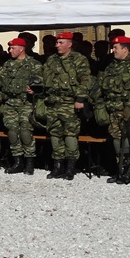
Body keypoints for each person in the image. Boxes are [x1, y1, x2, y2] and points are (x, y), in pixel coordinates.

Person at [97, 36, 130, 184]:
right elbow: (102, 85)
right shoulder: (112, 65)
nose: (113, 50)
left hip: (128, 110)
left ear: (125, 49)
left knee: (128, 141)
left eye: (116, 48)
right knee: (116, 140)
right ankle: (120, 169)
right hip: (113, 110)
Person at [42, 32, 92, 180]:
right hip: (53, 102)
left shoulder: (79, 59)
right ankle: (58, 166)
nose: (57, 45)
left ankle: (70, 167)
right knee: (55, 134)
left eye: (61, 42)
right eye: (57, 43)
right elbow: (44, 77)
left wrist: (80, 98)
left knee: (70, 134)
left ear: (69, 44)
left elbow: (86, 80)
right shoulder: (51, 60)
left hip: (70, 103)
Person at [0, 37, 42, 175]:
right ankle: (18, 162)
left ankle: (29, 162)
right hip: (10, 104)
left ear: (21, 49)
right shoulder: (7, 65)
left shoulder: (34, 64)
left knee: (26, 132)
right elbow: (1, 85)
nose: (10, 51)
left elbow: (41, 83)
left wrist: (35, 90)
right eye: (9, 48)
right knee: (13, 132)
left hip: (26, 103)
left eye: (12, 48)